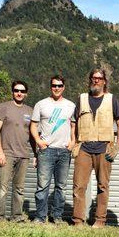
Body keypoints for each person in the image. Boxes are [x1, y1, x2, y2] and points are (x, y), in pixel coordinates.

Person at [72, 68, 119, 228]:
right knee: (79, 186)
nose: (96, 81)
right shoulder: (82, 99)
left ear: (104, 82)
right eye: (93, 78)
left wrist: (117, 146)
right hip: (84, 148)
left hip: (104, 148)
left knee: (103, 185)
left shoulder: (112, 99)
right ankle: (78, 221)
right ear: (90, 80)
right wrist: (74, 142)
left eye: (99, 78)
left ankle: (100, 220)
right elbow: (74, 122)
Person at [30, 75, 76, 224]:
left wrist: (73, 142)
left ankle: (57, 216)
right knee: (42, 186)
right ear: (50, 87)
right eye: (54, 86)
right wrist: (38, 141)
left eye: (60, 85)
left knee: (61, 187)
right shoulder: (41, 104)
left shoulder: (71, 105)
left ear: (64, 87)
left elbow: (74, 126)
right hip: (46, 150)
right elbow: (33, 126)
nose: (57, 88)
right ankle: (40, 217)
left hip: (64, 151)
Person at [0, 80, 35, 222]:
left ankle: (17, 216)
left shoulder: (30, 111)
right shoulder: (4, 107)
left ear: (26, 94)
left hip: (23, 155)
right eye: (17, 90)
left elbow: (33, 134)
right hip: (7, 153)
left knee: (19, 188)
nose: (19, 93)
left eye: (22, 91)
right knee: (3, 186)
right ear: (12, 91)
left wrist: (36, 154)